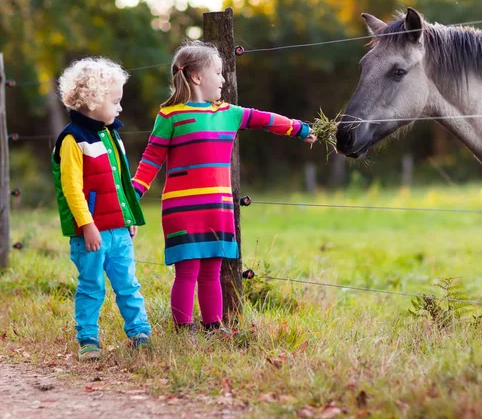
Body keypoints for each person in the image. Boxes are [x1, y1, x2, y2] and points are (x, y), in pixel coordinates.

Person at [132, 41, 316, 331]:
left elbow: (265, 120)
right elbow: (151, 160)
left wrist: (299, 129)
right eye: (218, 72)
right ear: (196, 77)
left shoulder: (228, 113)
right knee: (187, 271)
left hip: (217, 209)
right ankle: (184, 329)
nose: (223, 79)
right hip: (182, 209)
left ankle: (213, 327)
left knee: (212, 271)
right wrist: (132, 198)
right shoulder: (170, 116)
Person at [52, 58, 151, 361]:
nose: (120, 108)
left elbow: (121, 180)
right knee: (92, 286)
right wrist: (87, 224)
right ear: (94, 101)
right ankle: (88, 339)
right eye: (115, 101)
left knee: (127, 284)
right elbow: (71, 187)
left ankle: (139, 333)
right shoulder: (72, 139)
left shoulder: (111, 135)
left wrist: (129, 216)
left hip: (119, 230)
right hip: (90, 234)